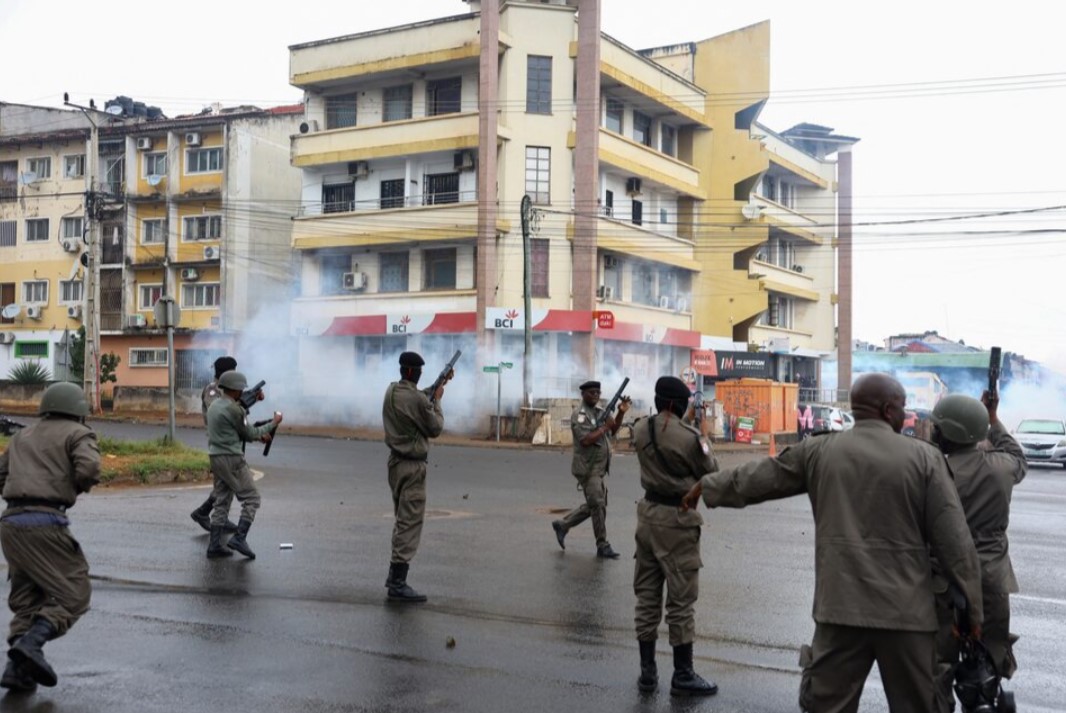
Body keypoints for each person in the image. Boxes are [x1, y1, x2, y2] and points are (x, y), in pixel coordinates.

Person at [681, 372, 984, 713]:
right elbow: (956, 545)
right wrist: (972, 611)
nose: (905, 416)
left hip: (839, 612)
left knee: (827, 707)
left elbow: (760, 478)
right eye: (901, 408)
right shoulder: (925, 459)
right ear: (887, 410)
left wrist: (708, 486)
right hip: (907, 616)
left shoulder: (820, 450)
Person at [929, 392, 1026, 713]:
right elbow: (1017, 455)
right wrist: (993, 418)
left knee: (939, 663)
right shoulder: (1002, 467)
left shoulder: (933, 471)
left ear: (948, 433)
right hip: (992, 580)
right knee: (990, 657)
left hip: (943, 581)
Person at [0, 382, 100, 692]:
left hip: (11, 522)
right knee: (75, 591)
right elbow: (89, 469)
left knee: (26, 596)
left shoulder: (22, 435)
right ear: (78, 411)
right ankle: (32, 644)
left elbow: (1, 475)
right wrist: (70, 487)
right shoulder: (78, 433)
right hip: (45, 521)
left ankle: (18, 670)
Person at [631, 376, 718, 697]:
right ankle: (683, 674)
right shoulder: (691, 438)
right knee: (681, 600)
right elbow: (713, 470)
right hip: (677, 520)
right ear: (679, 405)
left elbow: (662, 437)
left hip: (648, 515)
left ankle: (647, 674)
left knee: (647, 597)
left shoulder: (641, 428)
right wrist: (701, 428)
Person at [382, 351, 451, 603]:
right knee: (410, 523)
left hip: (395, 464)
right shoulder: (420, 401)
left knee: (402, 519)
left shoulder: (391, 392)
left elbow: (413, 399)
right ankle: (398, 582)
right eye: (419, 372)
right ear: (413, 372)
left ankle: (394, 576)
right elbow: (435, 428)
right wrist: (438, 400)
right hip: (412, 467)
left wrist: (435, 388)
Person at [204, 370, 281, 560]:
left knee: (222, 500)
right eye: (241, 389)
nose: (242, 392)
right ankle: (239, 538)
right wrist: (273, 423)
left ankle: (214, 546)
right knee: (252, 498)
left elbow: (234, 429)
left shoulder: (214, 406)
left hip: (216, 457)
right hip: (232, 458)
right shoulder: (234, 409)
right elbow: (248, 432)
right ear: (236, 389)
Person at [551, 380, 631, 559]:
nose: (595, 395)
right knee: (598, 505)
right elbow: (586, 440)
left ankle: (563, 525)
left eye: (598, 392)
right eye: (592, 392)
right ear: (583, 394)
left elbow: (614, 429)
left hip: (599, 468)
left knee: (596, 505)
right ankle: (602, 545)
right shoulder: (579, 415)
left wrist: (620, 412)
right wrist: (604, 427)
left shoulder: (600, 412)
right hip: (587, 469)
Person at [189, 355, 247, 533]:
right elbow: (222, 412)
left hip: (229, 440)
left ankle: (214, 516)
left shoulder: (226, 390)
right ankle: (204, 512)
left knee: (225, 482)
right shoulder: (213, 390)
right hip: (220, 441)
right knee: (227, 482)